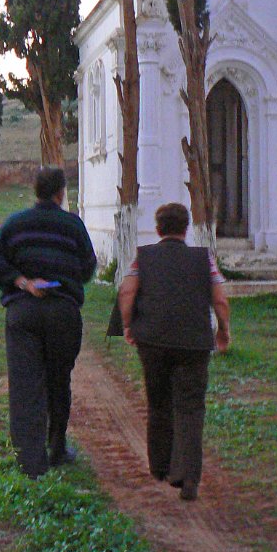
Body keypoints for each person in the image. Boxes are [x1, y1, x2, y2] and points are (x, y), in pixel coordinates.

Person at [0, 167, 97, 478]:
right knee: (58, 381)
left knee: (25, 386)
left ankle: (31, 463)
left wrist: (22, 281)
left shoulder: (16, 224)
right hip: (63, 313)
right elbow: (88, 267)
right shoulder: (72, 225)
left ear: (35, 191)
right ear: (60, 193)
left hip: (23, 312)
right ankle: (57, 448)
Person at [117, 202, 231, 501]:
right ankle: (189, 476)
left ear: (158, 229)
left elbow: (127, 291)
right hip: (194, 342)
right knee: (191, 407)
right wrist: (223, 330)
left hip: (152, 341)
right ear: (187, 228)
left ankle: (160, 467)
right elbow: (220, 299)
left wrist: (127, 325)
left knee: (159, 402)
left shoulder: (144, 257)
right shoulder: (202, 258)